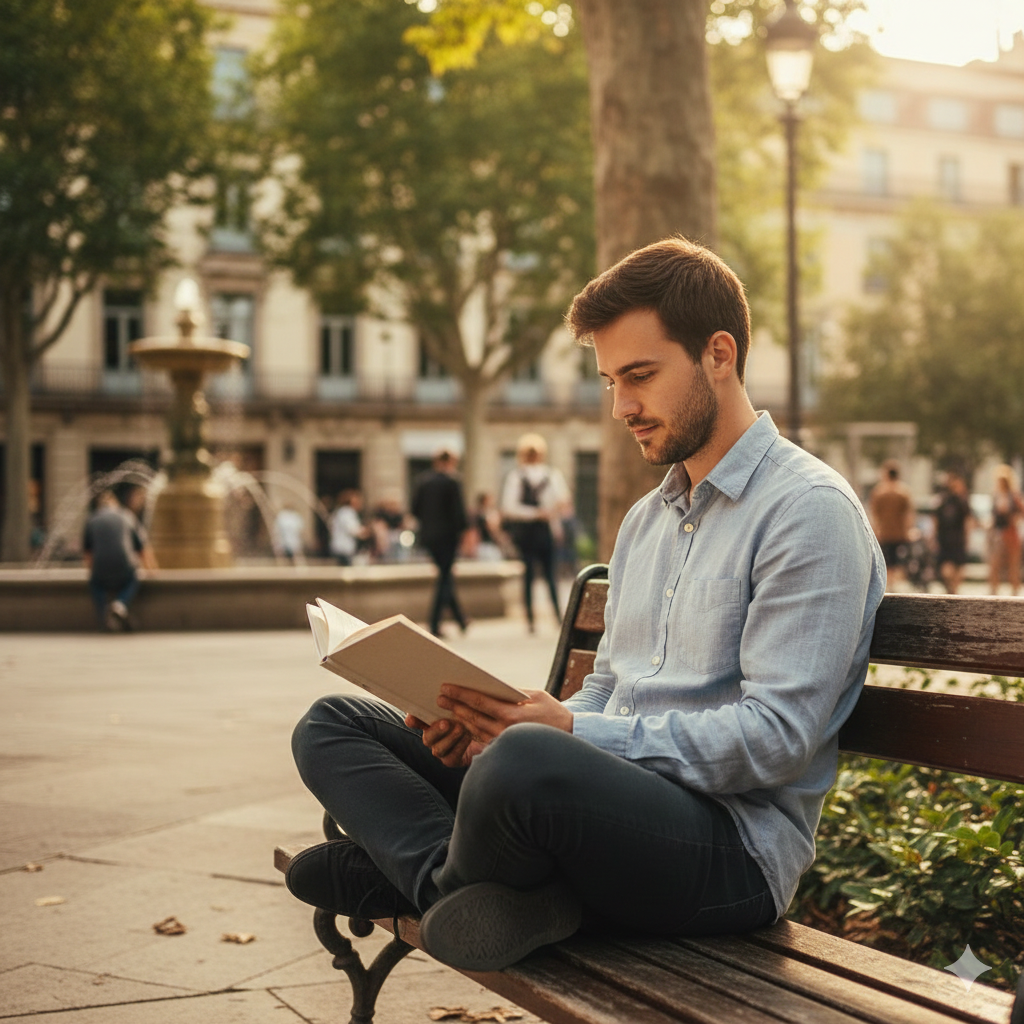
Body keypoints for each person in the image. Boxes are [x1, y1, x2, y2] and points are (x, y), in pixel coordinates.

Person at [285, 237, 885, 974]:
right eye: (609, 382)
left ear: (719, 354)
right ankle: (477, 890)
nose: (621, 407)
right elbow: (608, 685)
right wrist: (497, 722)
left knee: (526, 762)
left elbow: (776, 739)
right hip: (601, 814)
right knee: (334, 724)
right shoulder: (647, 521)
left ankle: (422, 881)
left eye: (640, 376)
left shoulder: (807, 511)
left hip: (729, 853)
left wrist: (567, 735)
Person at [501, 433, 568, 632]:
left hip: (527, 532)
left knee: (529, 576)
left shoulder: (516, 477)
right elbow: (563, 501)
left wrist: (532, 513)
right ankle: (556, 616)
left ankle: (531, 619)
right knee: (550, 575)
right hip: (544, 529)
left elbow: (509, 507)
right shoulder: (552, 475)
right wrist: (545, 515)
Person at [412, 450, 469, 637]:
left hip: (429, 538)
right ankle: (435, 623)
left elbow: (415, 510)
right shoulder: (453, 482)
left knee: (445, 575)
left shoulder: (423, 481)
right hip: (448, 537)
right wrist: (464, 534)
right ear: (451, 461)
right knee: (444, 577)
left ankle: (461, 619)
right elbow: (459, 514)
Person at [82, 488, 157, 631]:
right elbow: (143, 548)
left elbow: (88, 554)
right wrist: (151, 569)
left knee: (96, 583)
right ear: (115, 503)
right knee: (132, 579)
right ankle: (120, 604)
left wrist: (93, 571)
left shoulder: (92, 519)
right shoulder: (127, 515)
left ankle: (103, 616)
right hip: (124, 565)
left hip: (101, 567)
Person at [868, 460, 914, 591]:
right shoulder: (904, 492)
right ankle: (895, 586)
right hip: (900, 534)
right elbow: (909, 515)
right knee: (899, 563)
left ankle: (889, 586)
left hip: (884, 534)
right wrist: (908, 530)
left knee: (886, 562)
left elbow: (874, 515)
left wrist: (875, 531)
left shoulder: (878, 492)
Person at [932, 472, 972, 594]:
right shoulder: (960, 500)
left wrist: (934, 537)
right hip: (954, 538)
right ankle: (953, 589)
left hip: (947, 538)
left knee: (949, 566)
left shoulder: (942, 500)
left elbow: (935, 520)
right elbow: (968, 522)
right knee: (955, 566)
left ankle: (951, 589)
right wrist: (967, 538)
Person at [988, 464, 1024, 595]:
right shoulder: (996, 496)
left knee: (1013, 566)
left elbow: (1021, 513)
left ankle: (1015, 593)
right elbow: (993, 516)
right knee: (995, 564)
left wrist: (1014, 518)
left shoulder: (1014, 497)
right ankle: (993, 593)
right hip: (998, 533)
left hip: (1011, 533)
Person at [329, 490, 367, 567]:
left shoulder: (339, 512)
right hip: (344, 548)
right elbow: (353, 529)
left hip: (338, 547)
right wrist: (365, 531)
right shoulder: (348, 512)